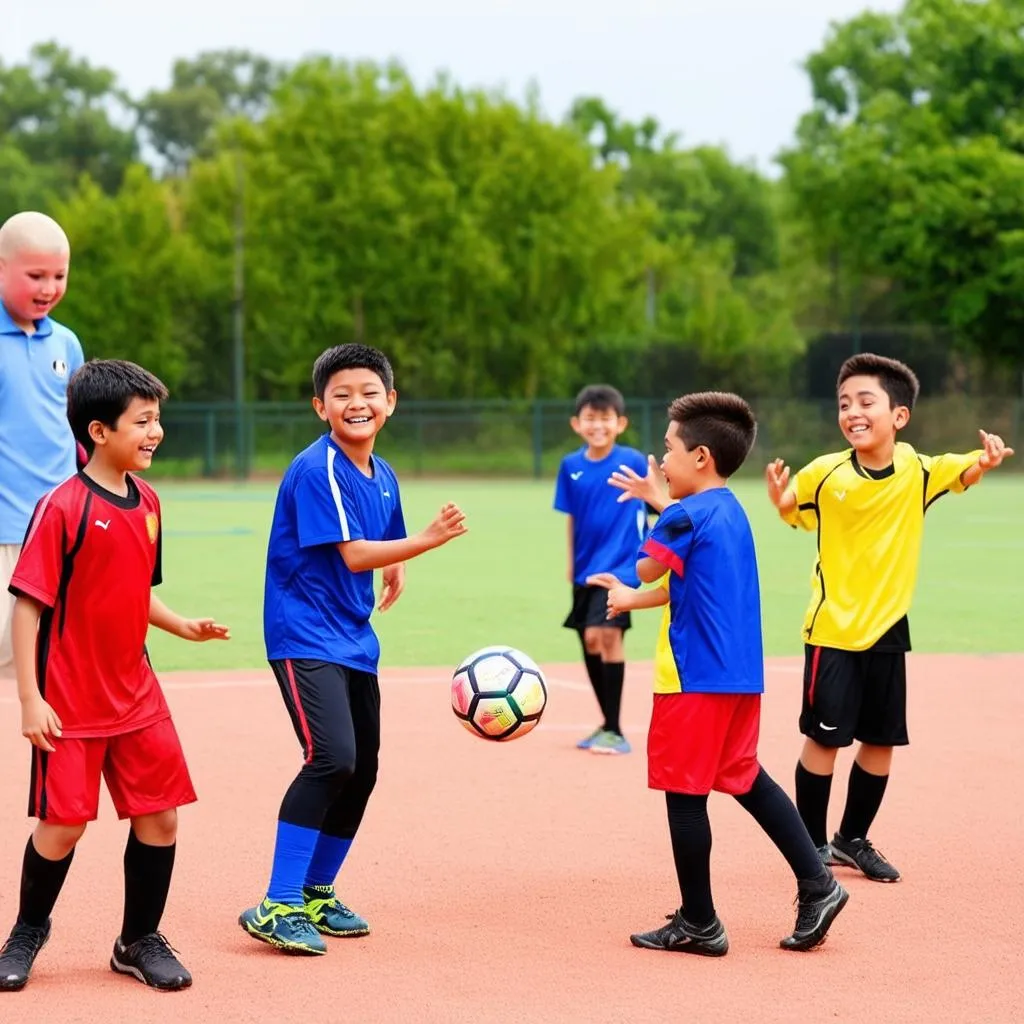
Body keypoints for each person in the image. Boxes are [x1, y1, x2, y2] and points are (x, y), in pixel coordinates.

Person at [0, 359, 230, 992]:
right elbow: (28, 604)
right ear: (99, 431)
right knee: (63, 826)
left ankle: (137, 940)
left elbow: (134, 589)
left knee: (160, 819)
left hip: (137, 695)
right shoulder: (62, 507)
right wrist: (29, 698)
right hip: (70, 700)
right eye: (143, 421)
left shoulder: (149, 501)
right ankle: (27, 929)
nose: (156, 431)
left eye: (158, 419)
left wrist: (180, 624)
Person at [240, 343, 468, 956]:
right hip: (303, 633)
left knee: (362, 769)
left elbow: (381, 534)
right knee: (331, 759)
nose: (356, 403)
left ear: (390, 402)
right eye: (341, 394)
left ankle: (316, 891)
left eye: (369, 392)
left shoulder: (382, 471)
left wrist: (400, 565)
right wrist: (424, 543)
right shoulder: (319, 470)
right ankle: (277, 902)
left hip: (352, 639)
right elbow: (354, 553)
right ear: (321, 407)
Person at [600, 391, 848, 956]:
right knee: (745, 779)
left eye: (668, 449)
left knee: (684, 797)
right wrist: (630, 600)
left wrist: (652, 505)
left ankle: (699, 922)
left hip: (693, 681)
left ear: (702, 457)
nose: (661, 461)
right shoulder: (730, 509)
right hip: (738, 678)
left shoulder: (684, 513)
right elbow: (679, 584)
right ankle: (819, 883)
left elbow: (645, 565)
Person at [765, 353, 1014, 882]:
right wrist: (779, 498)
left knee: (881, 741)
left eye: (865, 401)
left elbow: (962, 468)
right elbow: (792, 508)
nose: (852, 411)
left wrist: (985, 461)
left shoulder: (918, 470)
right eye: (843, 403)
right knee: (826, 739)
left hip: (888, 629)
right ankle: (810, 846)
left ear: (898, 416)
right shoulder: (825, 472)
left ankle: (851, 838)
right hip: (832, 629)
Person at [0, 212, 84, 680]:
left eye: (59, 275)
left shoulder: (67, 343)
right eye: (35, 276)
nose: (49, 287)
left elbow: (77, 427)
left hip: (59, 533)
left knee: (56, 669)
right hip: (4, 533)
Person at [554, 384, 651, 755]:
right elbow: (572, 518)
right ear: (577, 424)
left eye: (605, 418)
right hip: (585, 569)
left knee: (607, 636)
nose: (598, 425)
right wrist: (570, 562)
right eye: (590, 418)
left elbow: (657, 503)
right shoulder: (570, 466)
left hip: (623, 567)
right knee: (590, 639)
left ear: (620, 423)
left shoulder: (634, 462)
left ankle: (615, 729)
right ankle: (607, 724)